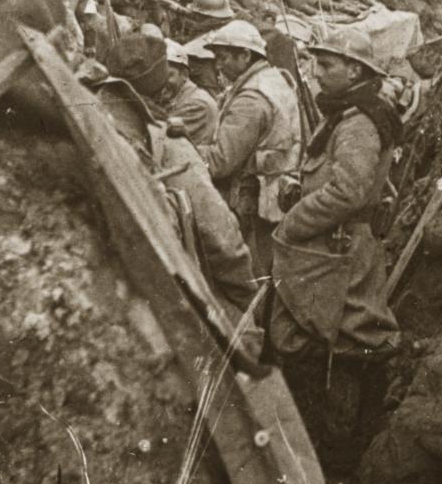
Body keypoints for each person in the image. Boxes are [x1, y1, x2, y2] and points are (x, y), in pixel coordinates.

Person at [269, 28, 402, 469]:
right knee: (329, 333)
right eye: (317, 63)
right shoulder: (346, 114)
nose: (316, 72)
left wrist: (293, 222)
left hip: (338, 251)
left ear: (356, 70)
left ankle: (339, 450)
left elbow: (348, 191)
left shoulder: (359, 121)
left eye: (327, 65)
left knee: (340, 336)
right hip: (334, 246)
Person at [101, 32, 257, 313]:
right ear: (161, 86)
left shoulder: (92, 114)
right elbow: (220, 237)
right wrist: (248, 299)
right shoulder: (169, 141)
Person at [196, 20, 302, 280]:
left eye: (223, 58)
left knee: (254, 274)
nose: (218, 65)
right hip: (276, 193)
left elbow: (220, 162)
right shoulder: (274, 79)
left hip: (254, 200)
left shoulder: (251, 99)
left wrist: (184, 149)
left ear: (245, 55)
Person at [159, 38, 218, 145]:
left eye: (169, 75)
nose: (162, 82)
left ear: (185, 74)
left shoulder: (197, 104)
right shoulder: (178, 96)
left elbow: (160, 141)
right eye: (158, 76)